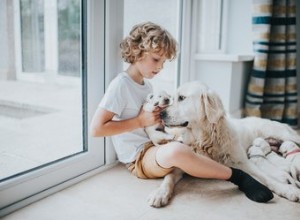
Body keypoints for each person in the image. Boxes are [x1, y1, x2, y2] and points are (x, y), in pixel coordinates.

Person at [90, 21, 273, 203]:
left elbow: (150, 126)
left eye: (163, 62)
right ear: (138, 51)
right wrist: (140, 121)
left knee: (190, 144)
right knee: (178, 151)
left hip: (153, 146)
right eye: (156, 59)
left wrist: (161, 120)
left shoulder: (147, 86)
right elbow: (96, 129)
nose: (160, 67)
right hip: (139, 157)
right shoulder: (121, 84)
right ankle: (237, 176)